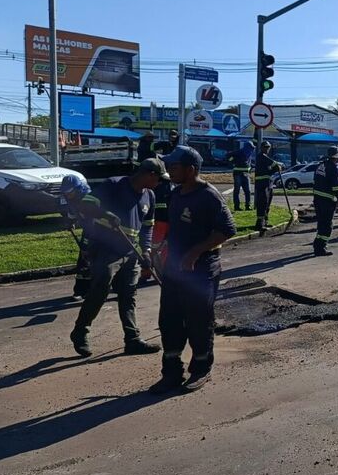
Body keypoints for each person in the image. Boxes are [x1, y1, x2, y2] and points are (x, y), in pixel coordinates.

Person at [150, 146, 237, 394]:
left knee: (199, 321)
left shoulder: (208, 196)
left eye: (174, 167)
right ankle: (171, 372)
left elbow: (228, 230)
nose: (169, 171)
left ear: (191, 169)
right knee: (169, 320)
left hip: (201, 270)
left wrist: (194, 253)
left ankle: (200, 368)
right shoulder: (176, 194)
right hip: (174, 269)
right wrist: (160, 249)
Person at [69, 159, 166, 358]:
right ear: (149, 174)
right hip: (105, 249)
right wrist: (105, 213)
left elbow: (147, 226)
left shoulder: (150, 196)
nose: (161, 183)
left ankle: (132, 340)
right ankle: (80, 331)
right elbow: (86, 204)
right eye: (159, 179)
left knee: (129, 294)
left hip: (130, 251)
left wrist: (146, 250)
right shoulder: (114, 185)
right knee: (100, 291)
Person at [59, 174, 92, 299]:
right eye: (65, 192)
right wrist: (70, 221)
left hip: (97, 232)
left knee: (91, 260)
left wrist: (86, 245)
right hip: (88, 229)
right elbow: (73, 212)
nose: (67, 194)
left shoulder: (88, 199)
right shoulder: (72, 199)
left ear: (77, 188)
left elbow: (92, 225)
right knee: (83, 262)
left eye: (69, 192)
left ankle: (93, 289)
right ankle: (81, 290)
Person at [312, 147, 338, 257]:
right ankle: (321, 247)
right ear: (335, 157)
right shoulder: (334, 168)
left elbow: (315, 181)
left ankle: (317, 244)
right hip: (327, 200)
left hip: (317, 198)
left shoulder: (320, 166)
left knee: (321, 222)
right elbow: (336, 186)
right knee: (327, 224)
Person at [143, 171, 173, 281]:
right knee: (165, 248)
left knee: (151, 249)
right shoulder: (171, 186)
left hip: (158, 223)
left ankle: (147, 272)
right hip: (169, 222)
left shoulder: (156, 188)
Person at [254, 140, 282, 231]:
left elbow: (270, 170)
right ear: (261, 148)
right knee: (262, 203)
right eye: (265, 147)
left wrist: (275, 169)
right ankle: (259, 224)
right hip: (262, 184)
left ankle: (265, 221)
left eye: (268, 147)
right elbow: (273, 163)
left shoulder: (265, 157)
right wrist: (277, 166)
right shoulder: (261, 157)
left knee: (267, 203)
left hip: (268, 183)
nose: (267, 149)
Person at [227, 139, 255, 211]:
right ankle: (236, 207)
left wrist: (251, 167)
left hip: (246, 174)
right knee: (237, 190)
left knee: (248, 191)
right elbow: (228, 156)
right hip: (238, 174)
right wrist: (233, 161)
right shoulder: (239, 152)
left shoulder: (249, 154)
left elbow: (248, 163)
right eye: (251, 147)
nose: (252, 149)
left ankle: (247, 206)